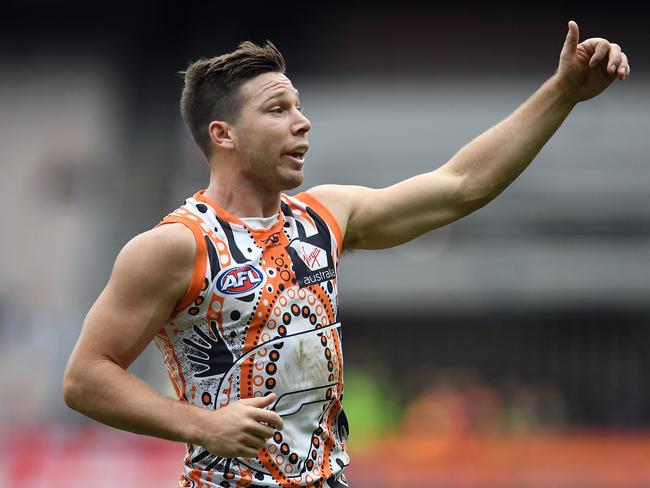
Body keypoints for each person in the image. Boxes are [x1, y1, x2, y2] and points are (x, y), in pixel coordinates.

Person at [63, 20, 629, 487]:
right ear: (224, 134)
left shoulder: (324, 216)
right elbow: (86, 378)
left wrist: (562, 93)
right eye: (277, 109)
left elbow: (461, 186)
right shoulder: (175, 245)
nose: (302, 121)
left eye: (299, 106)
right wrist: (203, 425)